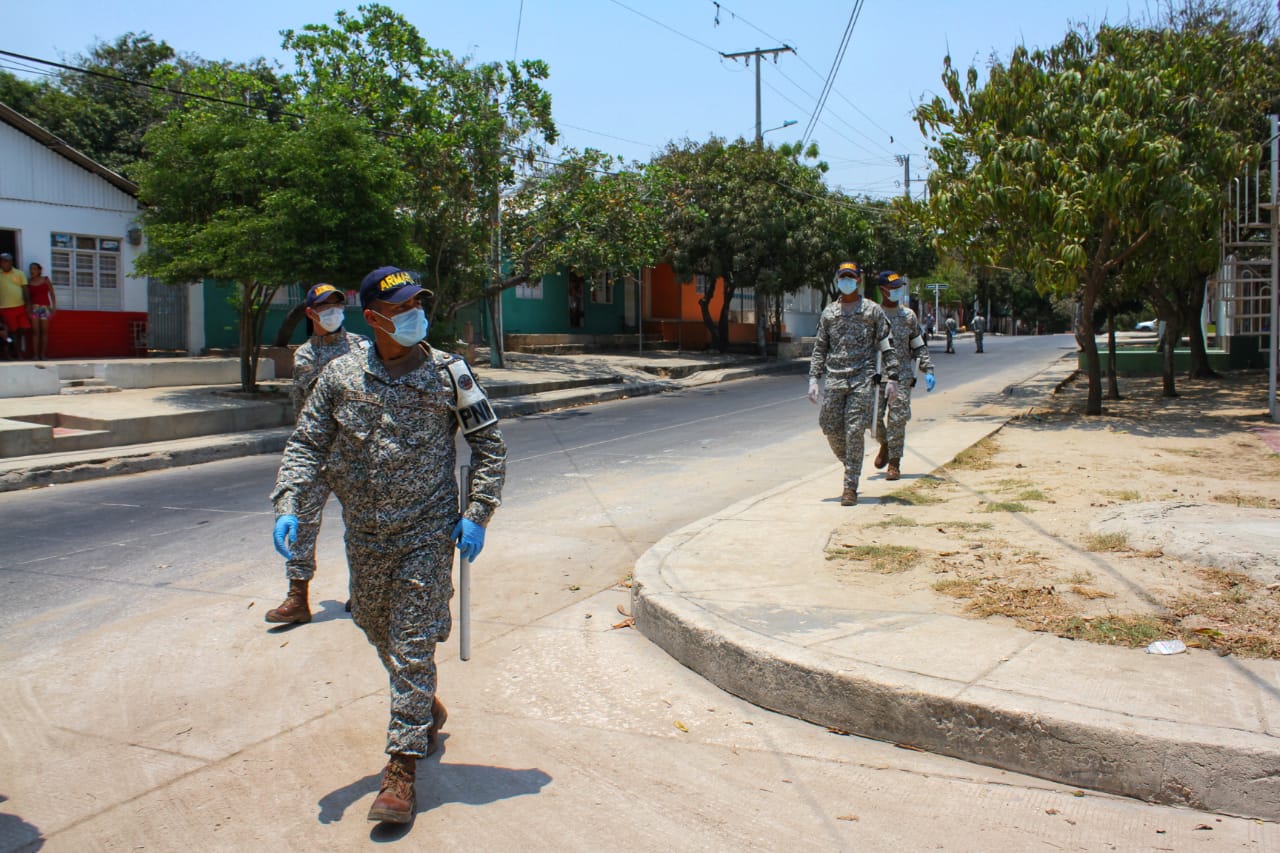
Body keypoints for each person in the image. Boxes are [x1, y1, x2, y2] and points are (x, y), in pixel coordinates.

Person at [271, 266, 506, 825]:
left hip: (428, 531)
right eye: (400, 310)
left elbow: (488, 444)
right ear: (373, 318)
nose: (413, 317)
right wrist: (288, 502)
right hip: (367, 535)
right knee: (375, 623)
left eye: (417, 306)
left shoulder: (450, 374)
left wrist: (478, 513)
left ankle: (400, 771)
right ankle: (420, 703)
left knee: (412, 637)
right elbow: (306, 444)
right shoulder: (340, 376)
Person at [264, 283, 370, 625]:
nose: (333, 312)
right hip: (320, 452)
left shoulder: (362, 347)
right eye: (325, 307)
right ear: (310, 313)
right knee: (302, 522)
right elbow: (304, 408)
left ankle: (364, 593)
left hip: (356, 451)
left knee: (361, 524)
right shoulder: (305, 356)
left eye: (338, 305)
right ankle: (297, 596)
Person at [808, 261, 901, 506]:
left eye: (851, 277)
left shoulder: (871, 311)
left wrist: (893, 377)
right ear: (838, 280)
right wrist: (813, 379)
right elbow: (820, 348)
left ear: (858, 281)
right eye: (843, 277)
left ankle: (850, 486)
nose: (846, 281)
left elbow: (886, 344)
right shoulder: (829, 313)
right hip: (835, 378)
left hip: (863, 379)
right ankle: (852, 463)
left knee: (853, 431)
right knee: (829, 426)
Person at [872, 271, 936, 481]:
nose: (897, 291)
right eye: (893, 288)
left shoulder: (908, 316)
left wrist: (928, 369)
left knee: (898, 420)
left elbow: (918, 345)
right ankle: (886, 443)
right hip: (877, 376)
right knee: (869, 418)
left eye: (899, 287)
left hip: (902, 377)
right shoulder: (873, 315)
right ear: (883, 290)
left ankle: (894, 463)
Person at [0, 253, 30, 360]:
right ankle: (16, 354)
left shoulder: (19, 273)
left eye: (6, 261)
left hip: (20, 307)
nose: (4, 263)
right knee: (11, 332)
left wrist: (28, 305)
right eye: (2, 261)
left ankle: (15, 350)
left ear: (11, 262)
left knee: (23, 329)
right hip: (6, 308)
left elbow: (25, 289)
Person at [26, 262, 56, 361]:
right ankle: (35, 355)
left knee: (44, 332)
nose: (32, 271)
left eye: (34, 269)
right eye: (31, 269)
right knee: (35, 332)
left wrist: (54, 307)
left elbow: (52, 293)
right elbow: (28, 298)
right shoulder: (29, 282)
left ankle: (42, 355)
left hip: (45, 308)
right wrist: (29, 310)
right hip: (34, 308)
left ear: (39, 270)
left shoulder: (46, 280)